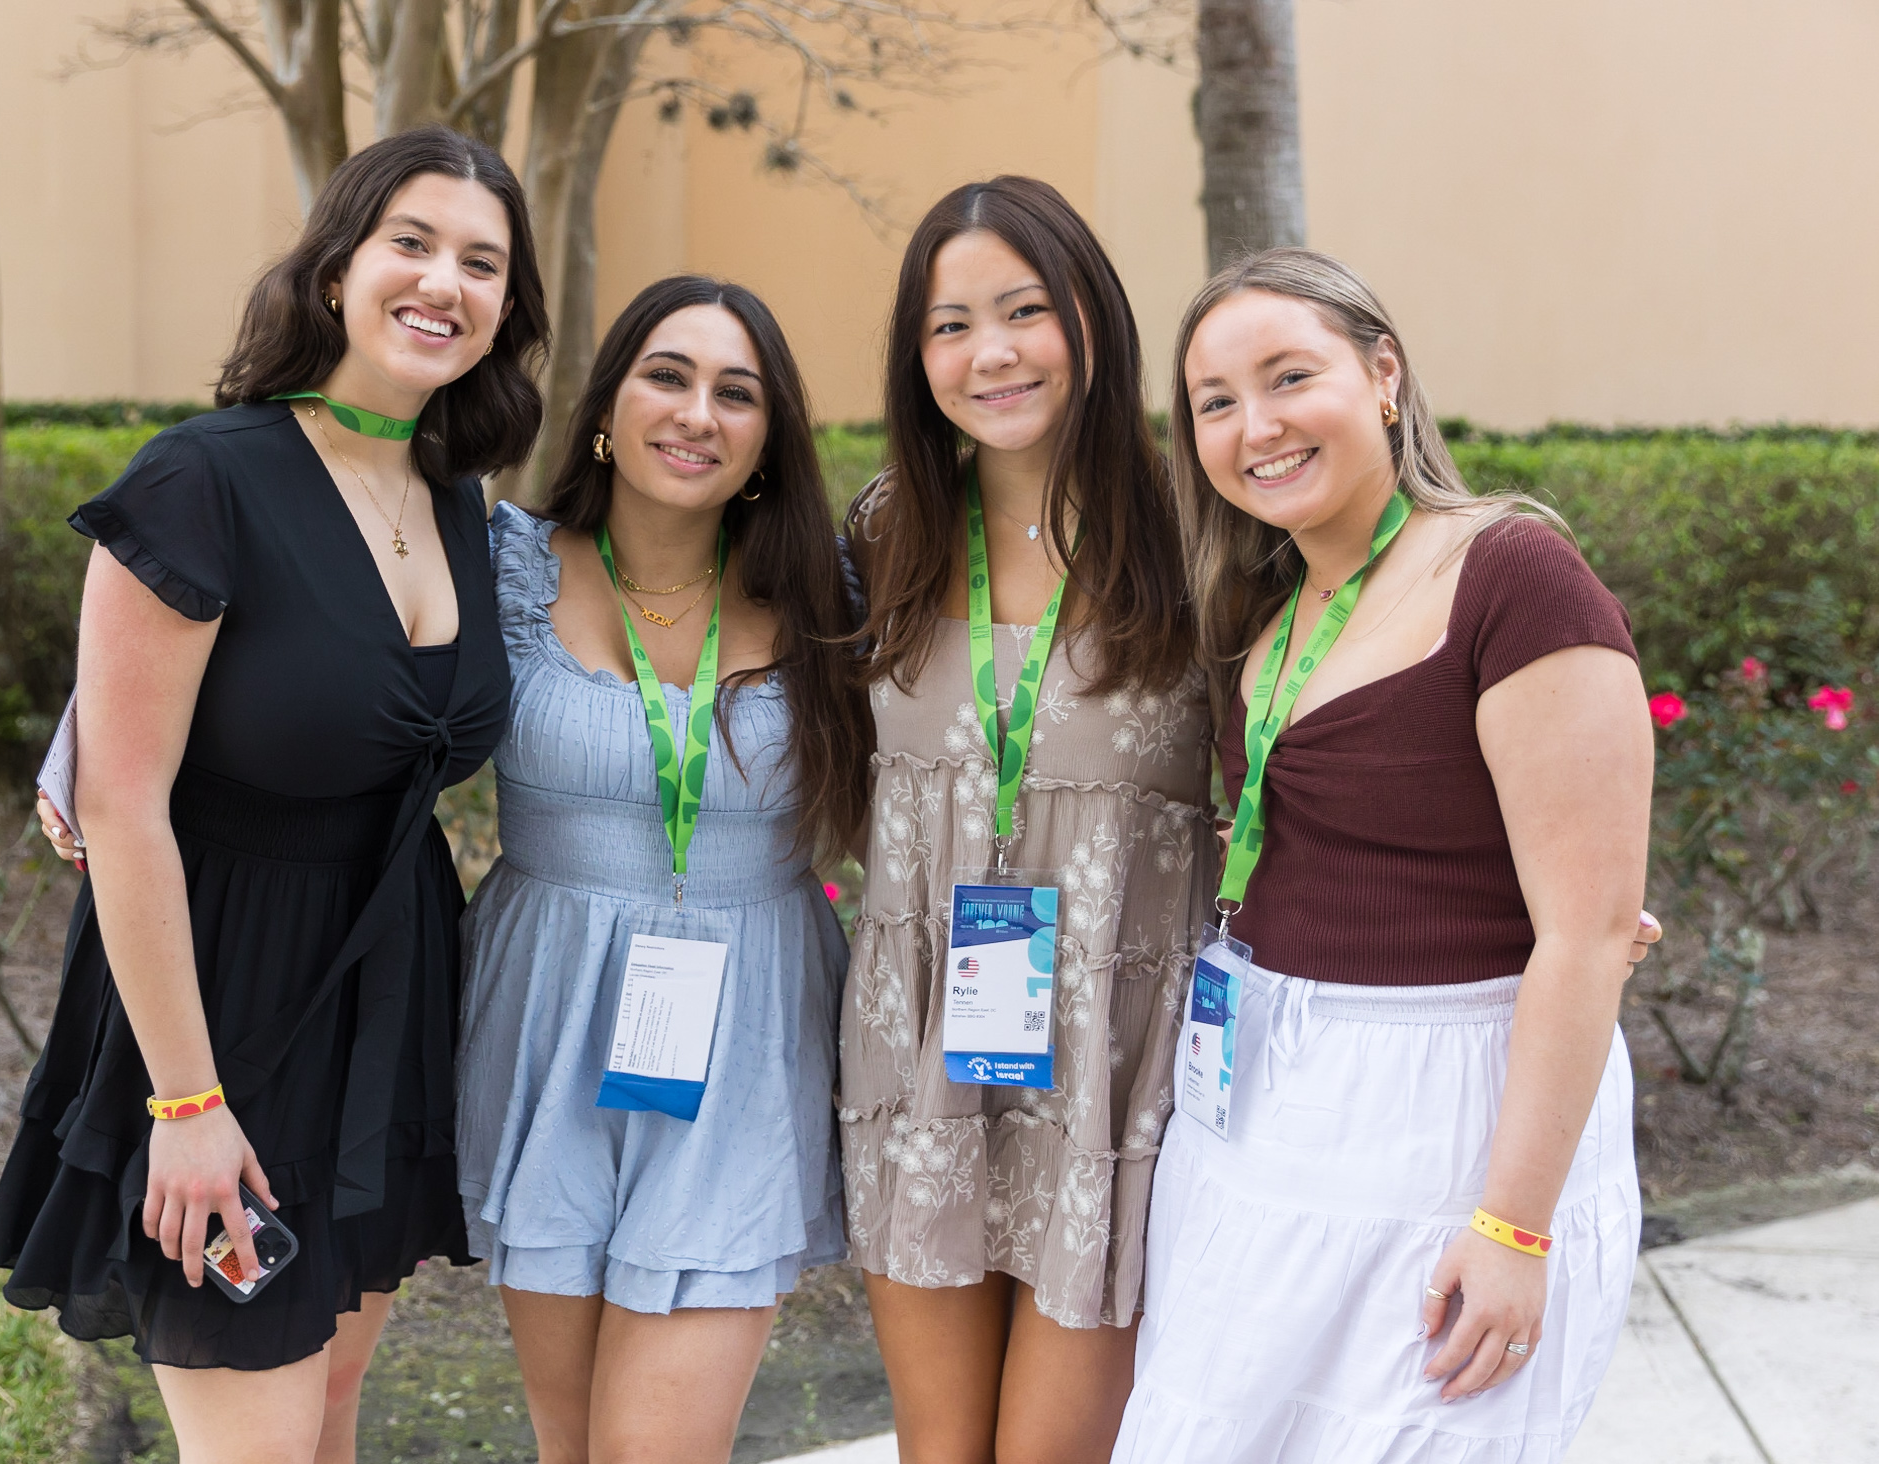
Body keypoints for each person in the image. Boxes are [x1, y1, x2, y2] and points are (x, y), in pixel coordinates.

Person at [0, 124, 546, 1464]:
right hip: (222, 998)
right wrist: (187, 1104)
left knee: (332, 1409)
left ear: (507, 313)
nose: (444, 281)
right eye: (412, 243)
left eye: (482, 262)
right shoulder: (205, 479)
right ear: (337, 266)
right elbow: (123, 807)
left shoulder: (460, 500)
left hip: (392, 990)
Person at [1112, 247, 1654, 1463]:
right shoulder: (1268, 609)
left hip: (1447, 1117)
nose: (1256, 425)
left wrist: (1513, 1231)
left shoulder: (1511, 576)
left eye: (1288, 376)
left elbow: (1585, 932)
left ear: (1385, 374)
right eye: (1214, 401)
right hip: (1260, 1112)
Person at [457, 276, 874, 1464]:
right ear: (606, 408)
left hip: (747, 1028)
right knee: (571, 1443)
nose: (698, 413)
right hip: (546, 1023)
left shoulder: (832, 596)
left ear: (766, 441)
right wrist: (93, 750)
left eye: (736, 394)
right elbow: (323, 629)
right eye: (668, 376)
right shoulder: (504, 564)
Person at [840, 176, 1213, 1464]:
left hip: (1112, 1070)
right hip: (923, 1050)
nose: (988, 352)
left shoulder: (1199, 537)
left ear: (1091, 324)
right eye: (950, 325)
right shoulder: (884, 534)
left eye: (1023, 310)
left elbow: (1323, 737)